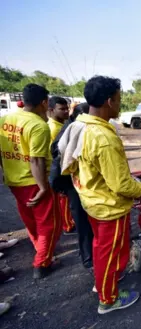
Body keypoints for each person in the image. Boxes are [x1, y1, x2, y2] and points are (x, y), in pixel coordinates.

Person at [59, 76, 141, 314]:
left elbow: (69, 158)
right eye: (118, 99)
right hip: (109, 207)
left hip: (92, 200)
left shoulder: (81, 124)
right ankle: (109, 299)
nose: (120, 103)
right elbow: (122, 185)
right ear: (108, 101)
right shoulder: (103, 138)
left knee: (101, 248)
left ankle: (102, 285)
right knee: (112, 254)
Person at [0, 84, 61, 279]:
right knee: (49, 224)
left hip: (14, 180)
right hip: (33, 181)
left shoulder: (6, 119)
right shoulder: (37, 125)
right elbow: (36, 159)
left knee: (30, 220)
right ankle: (42, 263)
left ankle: (40, 251)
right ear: (44, 102)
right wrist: (43, 187)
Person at [50, 102, 94, 270]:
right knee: (83, 221)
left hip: (76, 183)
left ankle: (87, 253)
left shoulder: (69, 129)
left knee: (85, 221)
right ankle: (88, 258)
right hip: (74, 184)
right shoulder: (70, 132)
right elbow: (58, 161)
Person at [48, 96, 76, 235]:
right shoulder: (53, 129)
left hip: (61, 168)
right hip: (59, 169)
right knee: (64, 199)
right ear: (51, 110)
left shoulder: (61, 125)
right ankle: (68, 225)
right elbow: (55, 153)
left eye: (67, 108)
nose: (66, 112)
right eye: (61, 109)